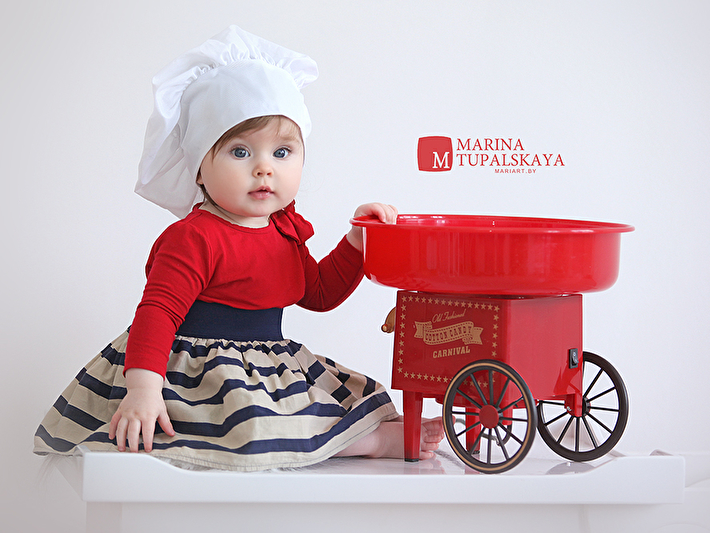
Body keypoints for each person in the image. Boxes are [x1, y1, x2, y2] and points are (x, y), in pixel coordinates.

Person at [33, 26, 444, 471]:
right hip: (197, 372)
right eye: (241, 152)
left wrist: (356, 243)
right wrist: (144, 390)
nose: (264, 168)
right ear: (199, 169)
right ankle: (374, 442)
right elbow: (157, 313)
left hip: (270, 366)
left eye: (282, 153)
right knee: (254, 426)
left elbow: (319, 293)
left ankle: (371, 433)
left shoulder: (284, 230)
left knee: (326, 404)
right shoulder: (194, 238)